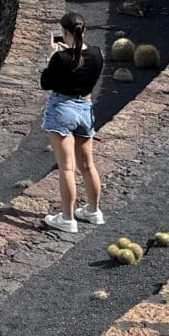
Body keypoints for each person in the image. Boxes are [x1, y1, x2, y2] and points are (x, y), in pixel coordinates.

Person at [39, 14, 106, 235]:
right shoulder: (97, 54)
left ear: (65, 33)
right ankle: (94, 212)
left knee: (67, 167)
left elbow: (45, 83)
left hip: (62, 110)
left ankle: (67, 218)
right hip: (85, 109)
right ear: (83, 31)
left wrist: (53, 56)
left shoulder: (61, 58)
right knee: (88, 165)